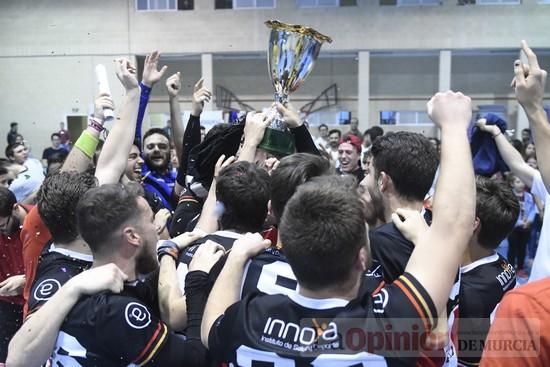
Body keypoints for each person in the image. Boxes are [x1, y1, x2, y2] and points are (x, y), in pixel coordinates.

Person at [395, 176, 520, 366]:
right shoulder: (498, 264)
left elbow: (466, 362)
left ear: (472, 224)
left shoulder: (469, 293)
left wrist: (424, 245)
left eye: (455, 210)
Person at [481, 40, 550, 367]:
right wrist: (496, 134)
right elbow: (519, 167)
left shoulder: (522, 308)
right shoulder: (542, 182)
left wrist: (534, 108)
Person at [26, 172, 96, 317]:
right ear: (86, 217)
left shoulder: (64, 240)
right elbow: (32, 334)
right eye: (100, 204)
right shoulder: (57, 281)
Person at [0, 188, 27, 363]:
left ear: (15, 208)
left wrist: (26, 280)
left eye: (1, 226)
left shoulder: (43, 222)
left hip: (35, 304)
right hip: (5, 305)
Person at [506, 173, 536, 278]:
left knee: (522, 249)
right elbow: (510, 212)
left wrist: (529, 220)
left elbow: (533, 209)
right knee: (512, 248)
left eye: (522, 181)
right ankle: (510, 268)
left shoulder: (528, 196)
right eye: (518, 182)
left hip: (526, 228)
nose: (521, 184)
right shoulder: (510, 197)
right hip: (513, 228)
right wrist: (519, 222)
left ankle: (520, 268)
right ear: (512, 184)